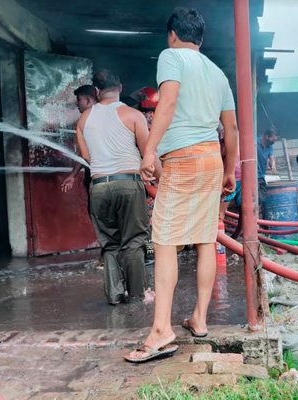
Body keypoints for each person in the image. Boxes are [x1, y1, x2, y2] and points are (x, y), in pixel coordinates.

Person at [126, 7, 238, 363]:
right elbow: (231, 129)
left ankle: (161, 330)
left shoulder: (170, 56)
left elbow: (168, 102)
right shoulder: (218, 73)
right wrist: (229, 171)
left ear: (172, 33)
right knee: (206, 237)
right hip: (211, 159)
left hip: (184, 158)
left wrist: (149, 150)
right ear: (200, 38)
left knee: (165, 240)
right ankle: (199, 320)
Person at [75, 70, 156, 306]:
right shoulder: (133, 115)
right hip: (128, 184)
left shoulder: (83, 120)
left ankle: (115, 294)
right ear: (120, 87)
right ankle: (139, 295)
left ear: (96, 92)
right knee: (133, 242)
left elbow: (87, 157)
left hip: (99, 187)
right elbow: (148, 153)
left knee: (110, 243)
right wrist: (163, 180)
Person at [61, 85, 98, 198]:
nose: (77, 103)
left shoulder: (93, 120)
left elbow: (88, 153)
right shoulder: (88, 120)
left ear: (87, 100)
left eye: (79, 99)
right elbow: (84, 153)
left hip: (99, 179)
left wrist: (96, 180)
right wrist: (73, 175)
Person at [257, 127, 278, 212]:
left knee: (262, 198)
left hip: (261, 175)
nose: (273, 143)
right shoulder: (255, 142)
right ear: (266, 136)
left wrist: (273, 165)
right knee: (257, 198)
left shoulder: (270, 146)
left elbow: (271, 158)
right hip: (253, 175)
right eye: (272, 140)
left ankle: (259, 218)